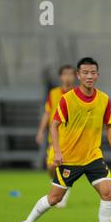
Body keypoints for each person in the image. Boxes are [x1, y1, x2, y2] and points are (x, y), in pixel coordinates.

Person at [15, 57, 111, 222]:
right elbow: (54, 126)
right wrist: (57, 151)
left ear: (97, 75)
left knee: (108, 193)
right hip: (70, 159)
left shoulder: (104, 99)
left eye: (93, 73)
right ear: (79, 75)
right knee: (54, 198)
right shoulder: (67, 99)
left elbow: (109, 125)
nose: (89, 76)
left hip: (93, 157)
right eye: (85, 73)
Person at [36, 65, 76, 208]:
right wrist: (41, 131)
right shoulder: (53, 94)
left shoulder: (78, 94)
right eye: (65, 74)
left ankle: (62, 190)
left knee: (66, 168)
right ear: (60, 77)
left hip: (72, 139)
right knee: (51, 166)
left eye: (70, 74)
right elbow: (47, 113)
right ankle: (58, 185)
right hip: (56, 138)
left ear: (75, 76)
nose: (68, 77)